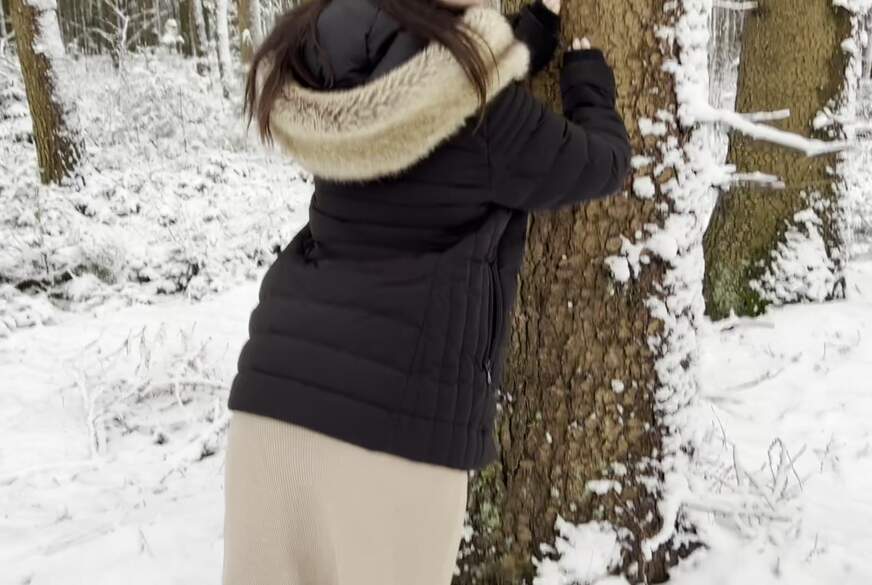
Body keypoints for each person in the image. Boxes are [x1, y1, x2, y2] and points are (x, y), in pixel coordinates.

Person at [222, 0, 631, 582]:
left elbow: (431, 92)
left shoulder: (324, 59)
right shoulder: (486, 112)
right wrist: (588, 80)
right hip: (395, 429)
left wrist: (531, 34)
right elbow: (601, 164)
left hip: (270, 405)